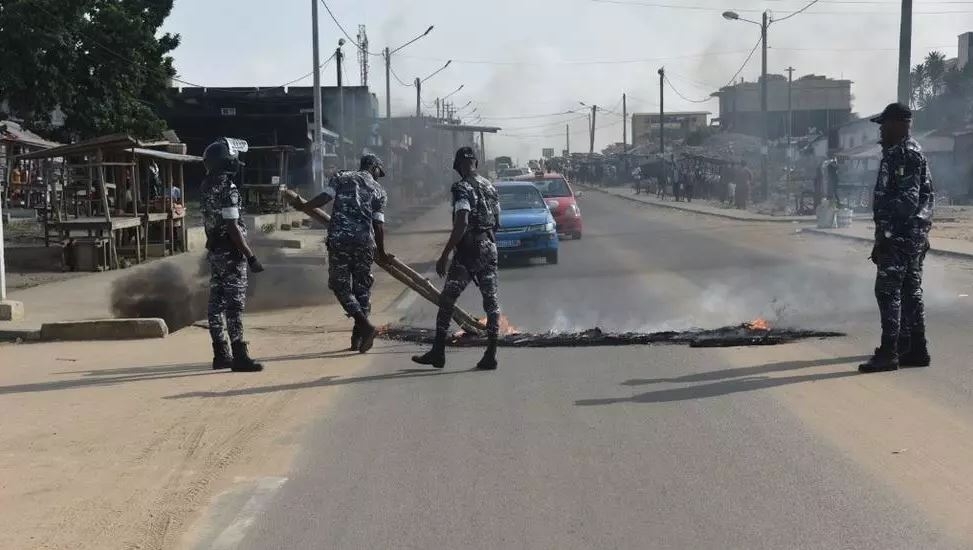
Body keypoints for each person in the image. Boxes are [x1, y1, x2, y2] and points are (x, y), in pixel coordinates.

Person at [859, 103, 934, 373]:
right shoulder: (909, 151)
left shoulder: (902, 154)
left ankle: (889, 352)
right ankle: (916, 348)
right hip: (912, 235)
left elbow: (907, 200)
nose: (881, 130)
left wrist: (886, 236)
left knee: (887, 291)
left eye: (884, 125)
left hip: (900, 235)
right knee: (910, 290)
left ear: (899, 124)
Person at [412, 147, 502, 371]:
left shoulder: (461, 187)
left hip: (468, 250)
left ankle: (438, 352)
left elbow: (461, 221)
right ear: (476, 164)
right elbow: (498, 222)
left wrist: (444, 255)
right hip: (489, 247)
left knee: (447, 300)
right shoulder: (490, 186)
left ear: (459, 165)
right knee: (491, 301)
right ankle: (491, 353)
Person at [302, 154, 389, 353]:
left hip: (340, 242)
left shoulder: (342, 177)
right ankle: (358, 338)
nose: (379, 177)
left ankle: (365, 328)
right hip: (364, 244)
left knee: (339, 285)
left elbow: (325, 198)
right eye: (379, 172)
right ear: (374, 167)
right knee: (362, 290)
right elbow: (378, 225)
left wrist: (305, 207)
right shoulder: (380, 191)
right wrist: (382, 252)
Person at [200, 137, 265, 372]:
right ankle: (239, 355)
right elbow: (232, 226)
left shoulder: (206, 186)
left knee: (215, 304)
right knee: (234, 305)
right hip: (231, 253)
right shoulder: (229, 188)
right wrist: (250, 256)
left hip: (215, 252)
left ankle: (220, 354)